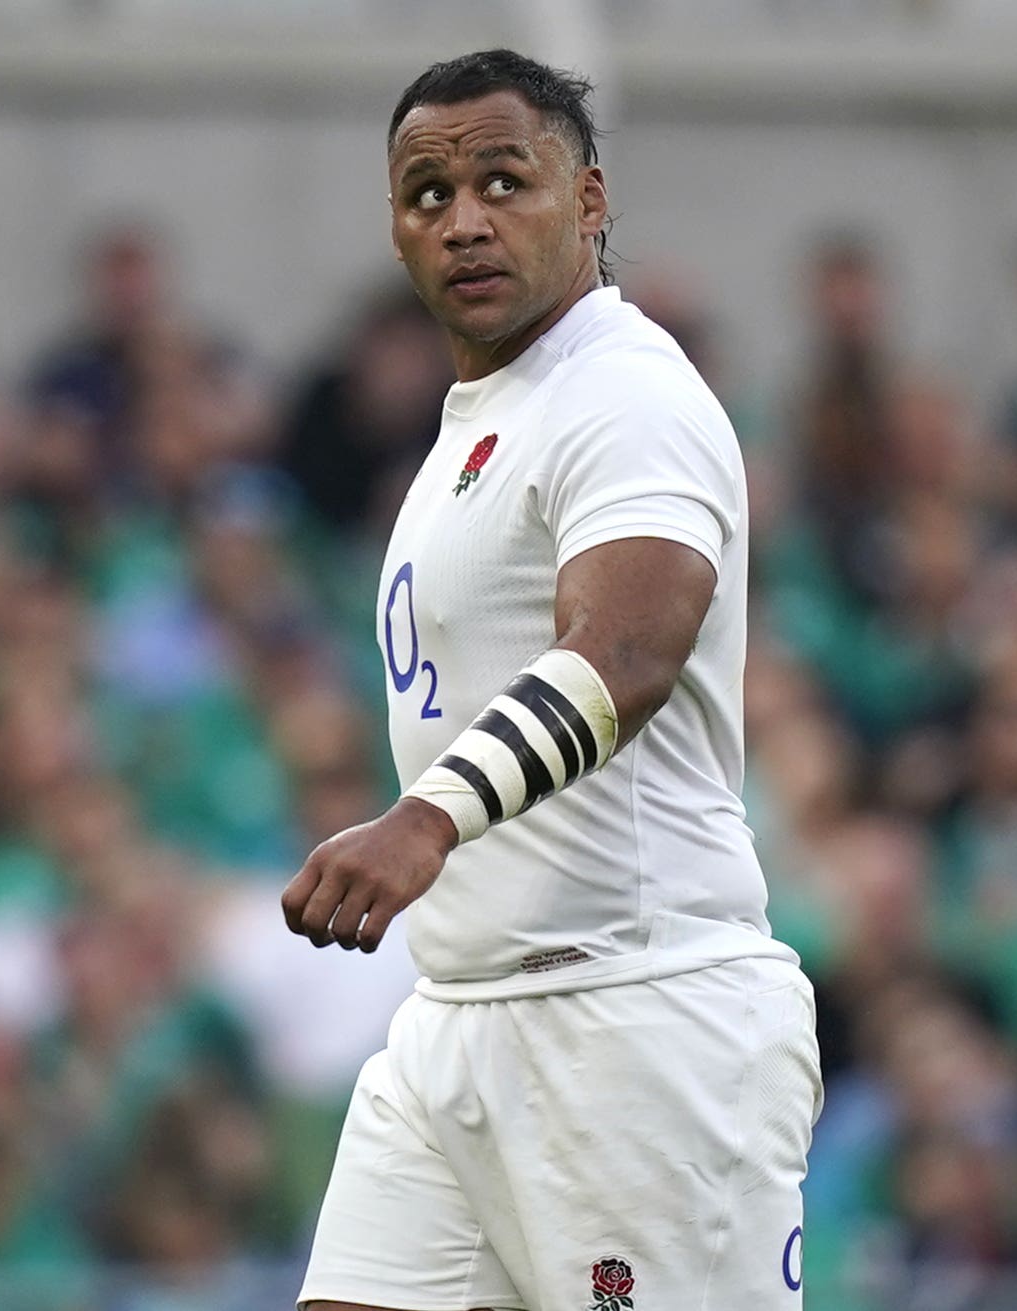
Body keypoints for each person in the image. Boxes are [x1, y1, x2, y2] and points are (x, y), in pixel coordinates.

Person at [281, 48, 823, 1311]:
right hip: (457, 1017)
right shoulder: (481, 414)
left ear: (588, 202)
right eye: (426, 195)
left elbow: (626, 653)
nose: (461, 219)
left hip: (633, 1015)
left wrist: (425, 820)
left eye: (501, 181)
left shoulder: (626, 392)